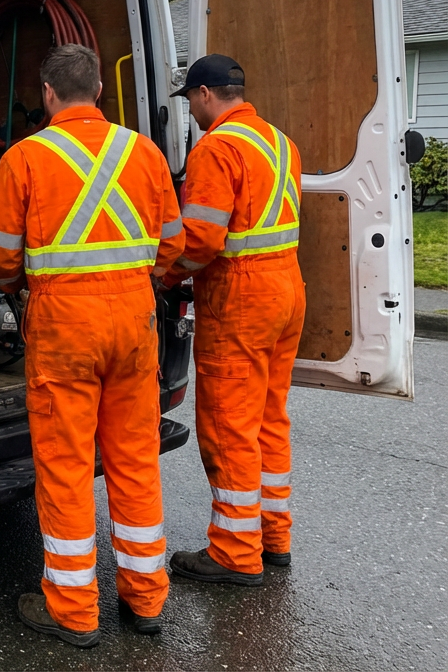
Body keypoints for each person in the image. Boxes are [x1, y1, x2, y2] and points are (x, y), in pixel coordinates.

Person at [0, 44, 184, 648]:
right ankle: (146, 600)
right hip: (135, 320)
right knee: (135, 460)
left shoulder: (25, 157)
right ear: (99, 90)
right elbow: (170, 244)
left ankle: (73, 611)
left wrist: (21, 287)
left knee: (66, 467)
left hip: (65, 325)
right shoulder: (142, 151)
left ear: (47, 93)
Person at [164, 54, 305, 587]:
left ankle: (234, 551)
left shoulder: (216, 148)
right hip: (286, 289)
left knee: (229, 423)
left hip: (241, 295)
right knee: (270, 418)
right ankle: (273, 536)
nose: (193, 113)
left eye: (191, 103)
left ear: (204, 94)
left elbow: (201, 242)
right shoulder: (278, 141)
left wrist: (163, 274)